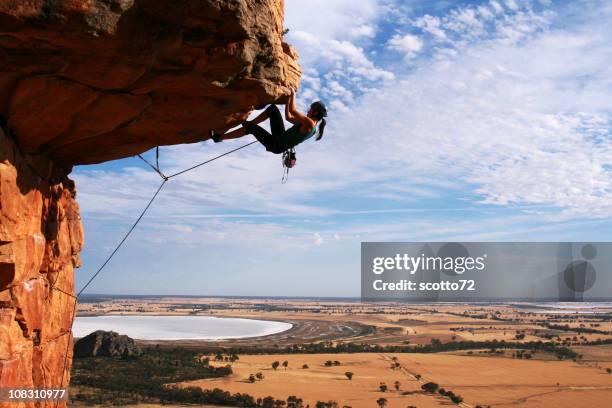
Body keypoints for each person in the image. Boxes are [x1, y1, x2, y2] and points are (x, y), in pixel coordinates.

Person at [209, 88, 327, 154]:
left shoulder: (310, 124)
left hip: (277, 145)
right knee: (273, 109)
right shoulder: (308, 124)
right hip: (280, 137)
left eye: (310, 109)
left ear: (315, 112)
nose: (308, 110)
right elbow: (288, 117)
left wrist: (293, 94)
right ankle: (250, 124)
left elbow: (293, 110)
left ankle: (219, 138)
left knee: (251, 129)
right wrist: (287, 101)